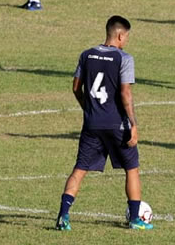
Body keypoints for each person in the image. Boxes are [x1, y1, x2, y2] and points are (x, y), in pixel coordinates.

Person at [55, 16, 153, 231]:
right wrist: (133, 123)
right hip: (117, 124)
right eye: (126, 37)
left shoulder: (86, 55)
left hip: (92, 124)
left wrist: (87, 108)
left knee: (80, 169)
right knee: (132, 169)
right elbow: (125, 93)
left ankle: (63, 216)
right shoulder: (124, 58)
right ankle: (135, 219)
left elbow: (75, 88)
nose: (126, 41)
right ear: (120, 35)